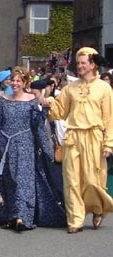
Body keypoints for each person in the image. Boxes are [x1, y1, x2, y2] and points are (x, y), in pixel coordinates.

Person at [0, 67, 66, 232]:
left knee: (23, 181)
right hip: (5, 144)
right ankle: (11, 215)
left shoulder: (31, 100)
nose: (15, 84)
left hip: (24, 144)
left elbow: (37, 125)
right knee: (8, 180)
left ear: (25, 83)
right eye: (13, 80)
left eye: (19, 81)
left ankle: (22, 217)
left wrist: (43, 109)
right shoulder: (3, 99)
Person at [46, 47, 113, 233]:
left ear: (93, 65)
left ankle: (99, 208)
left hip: (94, 137)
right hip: (73, 137)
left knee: (92, 181)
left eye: (84, 63)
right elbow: (60, 111)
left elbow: (110, 118)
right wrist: (49, 102)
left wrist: (109, 143)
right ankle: (75, 219)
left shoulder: (104, 88)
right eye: (79, 62)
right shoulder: (70, 88)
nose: (80, 66)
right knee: (72, 180)